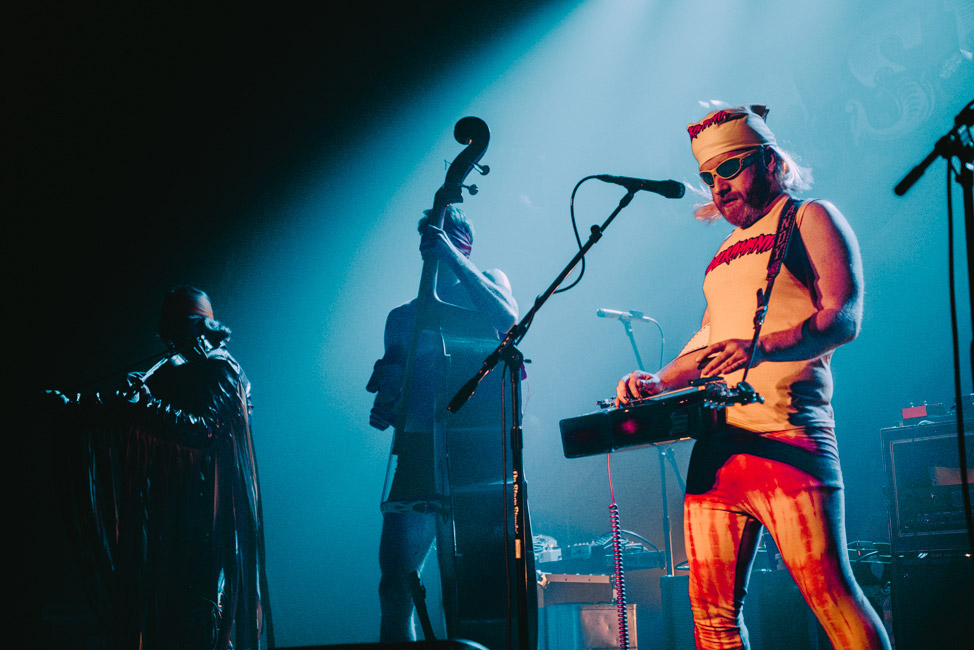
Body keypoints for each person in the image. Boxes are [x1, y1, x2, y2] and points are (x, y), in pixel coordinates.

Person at [614, 104, 891, 649]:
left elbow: (844, 316)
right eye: (708, 177)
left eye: (730, 168)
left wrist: (760, 347)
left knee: (831, 599)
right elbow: (709, 343)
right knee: (712, 622)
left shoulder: (811, 216)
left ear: (770, 161)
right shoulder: (722, 253)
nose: (718, 186)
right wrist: (657, 382)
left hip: (788, 436)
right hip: (719, 447)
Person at [48, 287, 270, 650]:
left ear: (201, 328)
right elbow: (118, 408)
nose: (172, 339)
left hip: (209, 523)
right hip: (171, 519)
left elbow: (204, 430)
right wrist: (73, 406)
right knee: (172, 619)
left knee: (205, 616)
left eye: (183, 328)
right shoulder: (174, 375)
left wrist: (146, 405)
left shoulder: (223, 372)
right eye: (169, 330)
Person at [367, 205, 519, 643]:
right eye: (428, 240)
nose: (430, 247)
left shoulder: (489, 282)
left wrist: (453, 257)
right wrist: (386, 405)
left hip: (477, 452)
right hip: (416, 450)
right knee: (395, 582)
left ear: (463, 244)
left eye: (443, 237)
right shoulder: (401, 317)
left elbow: (508, 319)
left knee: (481, 583)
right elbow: (394, 386)